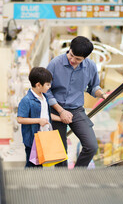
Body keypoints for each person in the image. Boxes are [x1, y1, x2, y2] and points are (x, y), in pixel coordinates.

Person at [46, 36, 109, 167]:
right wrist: (61, 110)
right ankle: (62, 181)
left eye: (78, 59)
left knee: (91, 146)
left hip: (76, 110)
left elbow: (93, 87)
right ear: (69, 49)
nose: (73, 60)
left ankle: (77, 174)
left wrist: (102, 94)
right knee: (60, 154)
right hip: (55, 109)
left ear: (85, 58)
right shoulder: (55, 64)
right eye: (71, 55)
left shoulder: (91, 67)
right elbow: (46, 91)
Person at [17, 67, 61, 168]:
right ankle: (26, 182)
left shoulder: (44, 97)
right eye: (47, 84)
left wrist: (60, 118)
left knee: (39, 164)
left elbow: (46, 115)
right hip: (33, 140)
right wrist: (38, 121)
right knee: (32, 165)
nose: (49, 87)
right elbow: (20, 119)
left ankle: (34, 182)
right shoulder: (26, 100)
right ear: (38, 85)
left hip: (44, 137)